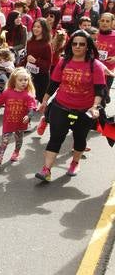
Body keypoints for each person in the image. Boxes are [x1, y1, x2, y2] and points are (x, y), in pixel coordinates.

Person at [35, 30, 106, 181]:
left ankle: (75, 162)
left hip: (84, 110)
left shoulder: (96, 65)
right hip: (61, 106)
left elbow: (100, 90)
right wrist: (45, 101)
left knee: (80, 138)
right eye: (75, 44)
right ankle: (46, 170)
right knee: (56, 138)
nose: (78, 47)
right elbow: (53, 84)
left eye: (82, 44)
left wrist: (94, 106)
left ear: (88, 46)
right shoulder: (64, 62)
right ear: (70, 45)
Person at [0, 68, 37, 167]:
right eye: (20, 80)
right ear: (14, 81)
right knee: (4, 141)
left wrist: (28, 116)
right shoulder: (7, 93)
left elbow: (32, 108)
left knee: (19, 140)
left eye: (26, 80)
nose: (24, 82)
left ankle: (16, 152)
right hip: (8, 123)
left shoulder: (28, 95)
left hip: (20, 123)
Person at [26, 18, 53, 106]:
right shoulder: (30, 42)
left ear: (44, 29)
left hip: (42, 77)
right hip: (30, 74)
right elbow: (27, 57)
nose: (35, 29)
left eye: (38, 27)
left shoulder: (46, 45)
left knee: (42, 101)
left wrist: (36, 61)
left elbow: (48, 64)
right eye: (34, 26)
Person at [97, 12, 115, 97]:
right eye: (102, 20)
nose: (104, 23)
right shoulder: (93, 34)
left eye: (107, 21)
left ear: (112, 23)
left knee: (103, 98)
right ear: (99, 21)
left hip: (108, 72)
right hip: (92, 71)